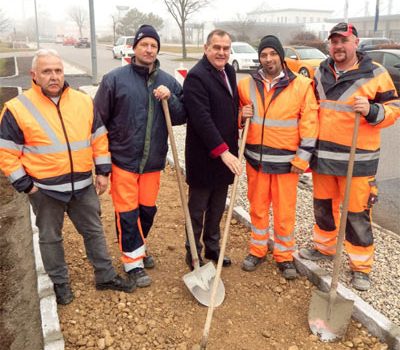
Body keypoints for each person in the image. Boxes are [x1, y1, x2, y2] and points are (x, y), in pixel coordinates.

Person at [0, 49, 135, 305]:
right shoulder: (18, 108)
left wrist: (103, 172)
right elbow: (6, 151)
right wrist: (25, 184)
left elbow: (98, 138)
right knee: (51, 238)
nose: (54, 76)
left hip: (83, 186)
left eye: (58, 71)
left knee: (94, 231)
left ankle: (105, 276)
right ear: (34, 75)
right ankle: (60, 284)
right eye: (47, 71)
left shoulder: (83, 101)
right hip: (44, 190)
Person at [299, 23, 400, 290]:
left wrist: (371, 110)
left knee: (356, 213)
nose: (338, 46)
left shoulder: (375, 73)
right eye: (334, 42)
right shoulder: (320, 72)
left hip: (358, 160)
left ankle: (360, 267)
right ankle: (325, 248)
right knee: (323, 208)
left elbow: (394, 107)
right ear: (329, 45)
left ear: (356, 43)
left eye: (344, 41)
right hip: (323, 159)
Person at [94, 25, 186, 287]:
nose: (148, 49)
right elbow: (98, 121)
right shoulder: (115, 79)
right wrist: (102, 163)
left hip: (153, 162)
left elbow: (181, 117)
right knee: (127, 212)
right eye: (144, 44)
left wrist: (172, 100)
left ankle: (138, 247)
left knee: (147, 210)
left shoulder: (167, 82)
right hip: (123, 160)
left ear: (158, 50)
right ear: (134, 48)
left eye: (153, 46)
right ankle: (132, 262)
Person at [237, 35, 319, 280]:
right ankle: (257, 250)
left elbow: (310, 124)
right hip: (256, 162)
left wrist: (302, 160)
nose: (268, 59)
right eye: (264, 54)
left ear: (281, 56)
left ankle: (284, 257)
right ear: (259, 58)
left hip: (287, 165)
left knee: (284, 212)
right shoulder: (246, 85)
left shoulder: (302, 85)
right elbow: (237, 121)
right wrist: (241, 116)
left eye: (273, 53)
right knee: (258, 209)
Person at [183, 29, 245, 269]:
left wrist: (241, 114)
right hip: (205, 156)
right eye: (216, 47)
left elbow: (226, 109)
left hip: (225, 155)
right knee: (198, 209)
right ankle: (193, 253)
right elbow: (202, 119)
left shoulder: (229, 71)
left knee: (218, 206)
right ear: (206, 48)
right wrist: (224, 151)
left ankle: (213, 246)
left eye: (226, 48)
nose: (222, 52)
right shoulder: (197, 76)